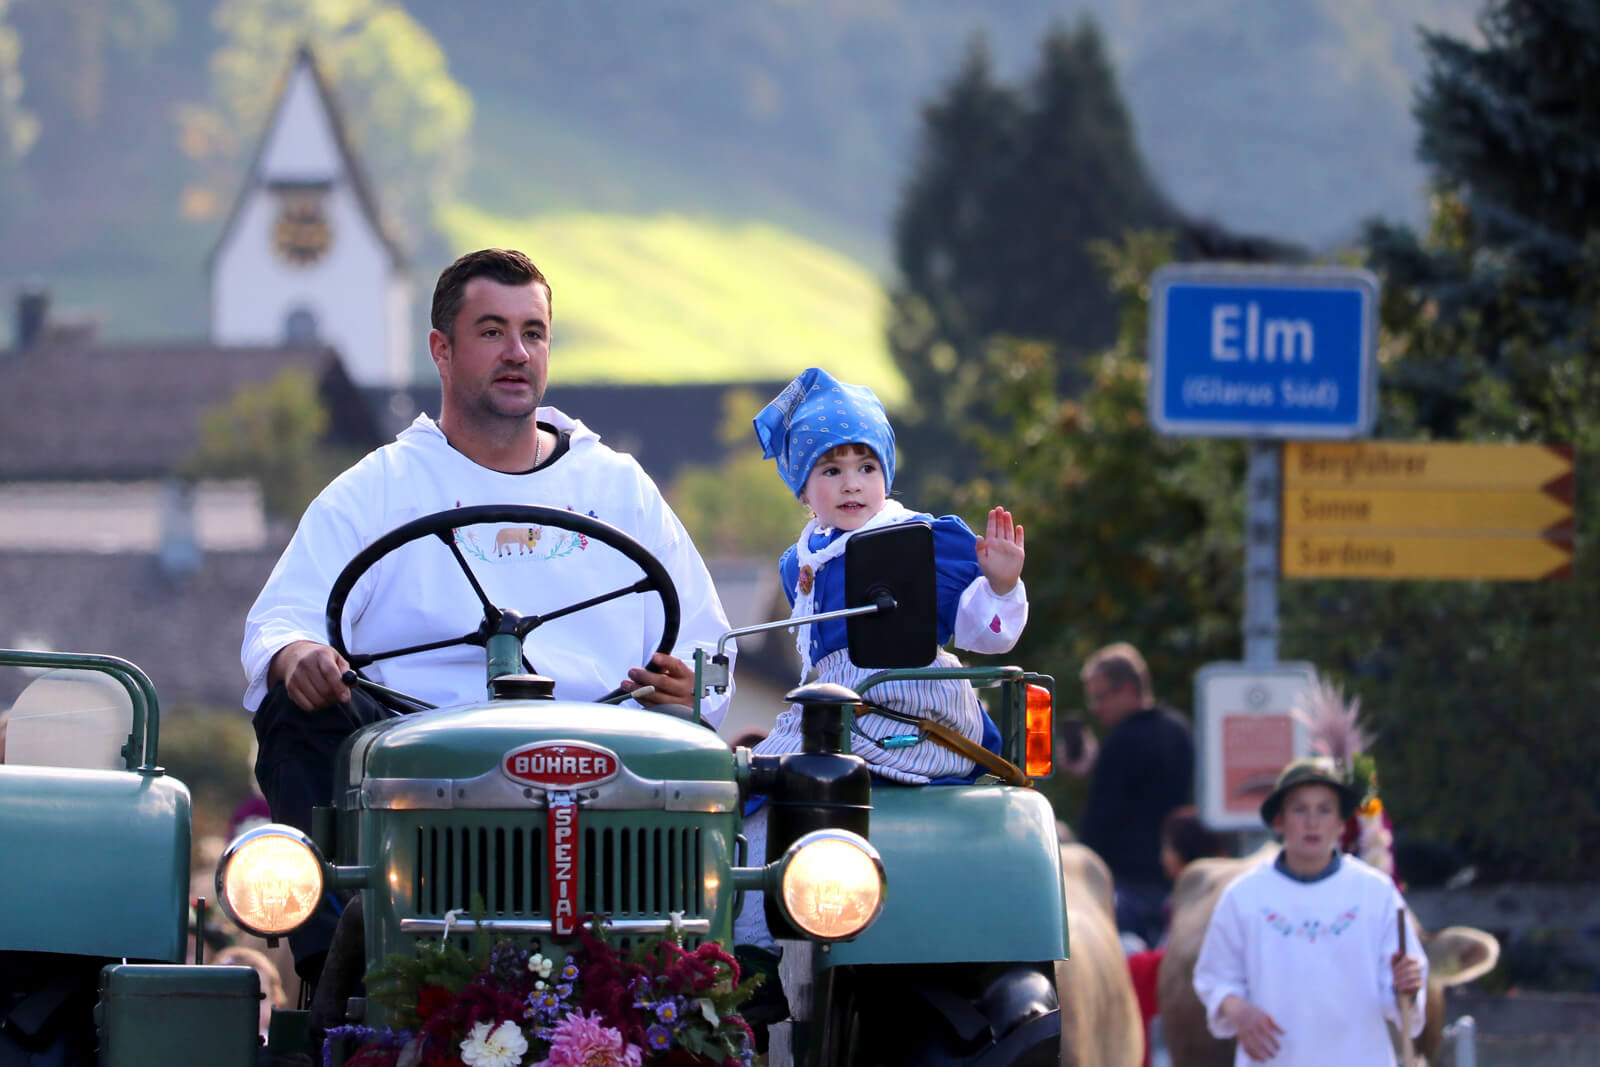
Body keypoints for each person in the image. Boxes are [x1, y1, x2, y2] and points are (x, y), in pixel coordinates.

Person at [241, 248, 735, 985]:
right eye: (492, 331)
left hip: (600, 764)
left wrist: (688, 686)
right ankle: (345, 968)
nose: (517, 353)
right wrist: (299, 655)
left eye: (533, 333)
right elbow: (280, 627)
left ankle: (690, 980)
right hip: (422, 773)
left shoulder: (617, 488)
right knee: (297, 710)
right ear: (441, 349)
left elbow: (711, 654)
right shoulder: (377, 490)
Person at [735, 365, 1026, 958]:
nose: (852, 485)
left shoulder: (917, 537)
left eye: (867, 468)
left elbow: (985, 635)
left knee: (797, 791)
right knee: (744, 797)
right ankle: (752, 954)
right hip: (826, 705)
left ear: (886, 475)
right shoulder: (800, 560)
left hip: (904, 695)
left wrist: (998, 585)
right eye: (832, 470)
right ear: (802, 487)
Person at [1191, 757, 1426, 1066]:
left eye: (1325, 810)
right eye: (1299, 810)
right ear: (1279, 821)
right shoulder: (1244, 896)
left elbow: (1402, 996)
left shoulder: (1376, 894)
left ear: (1342, 823)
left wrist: (1406, 985)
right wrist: (1237, 1009)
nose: (1312, 822)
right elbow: (1214, 977)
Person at [1067, 642, 1194, 948]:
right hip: (1180, 883)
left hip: (1127, 889)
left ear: (1126, 689)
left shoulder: (1120, 744)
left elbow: (1100, 823)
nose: (1095, 709)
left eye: (1100, 698)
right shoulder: (1181, 729)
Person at [211, 944, 288, 1041]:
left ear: (275, 1003)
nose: (246, 1007)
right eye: (233, 997)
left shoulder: (281, 1050)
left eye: (259, 997)